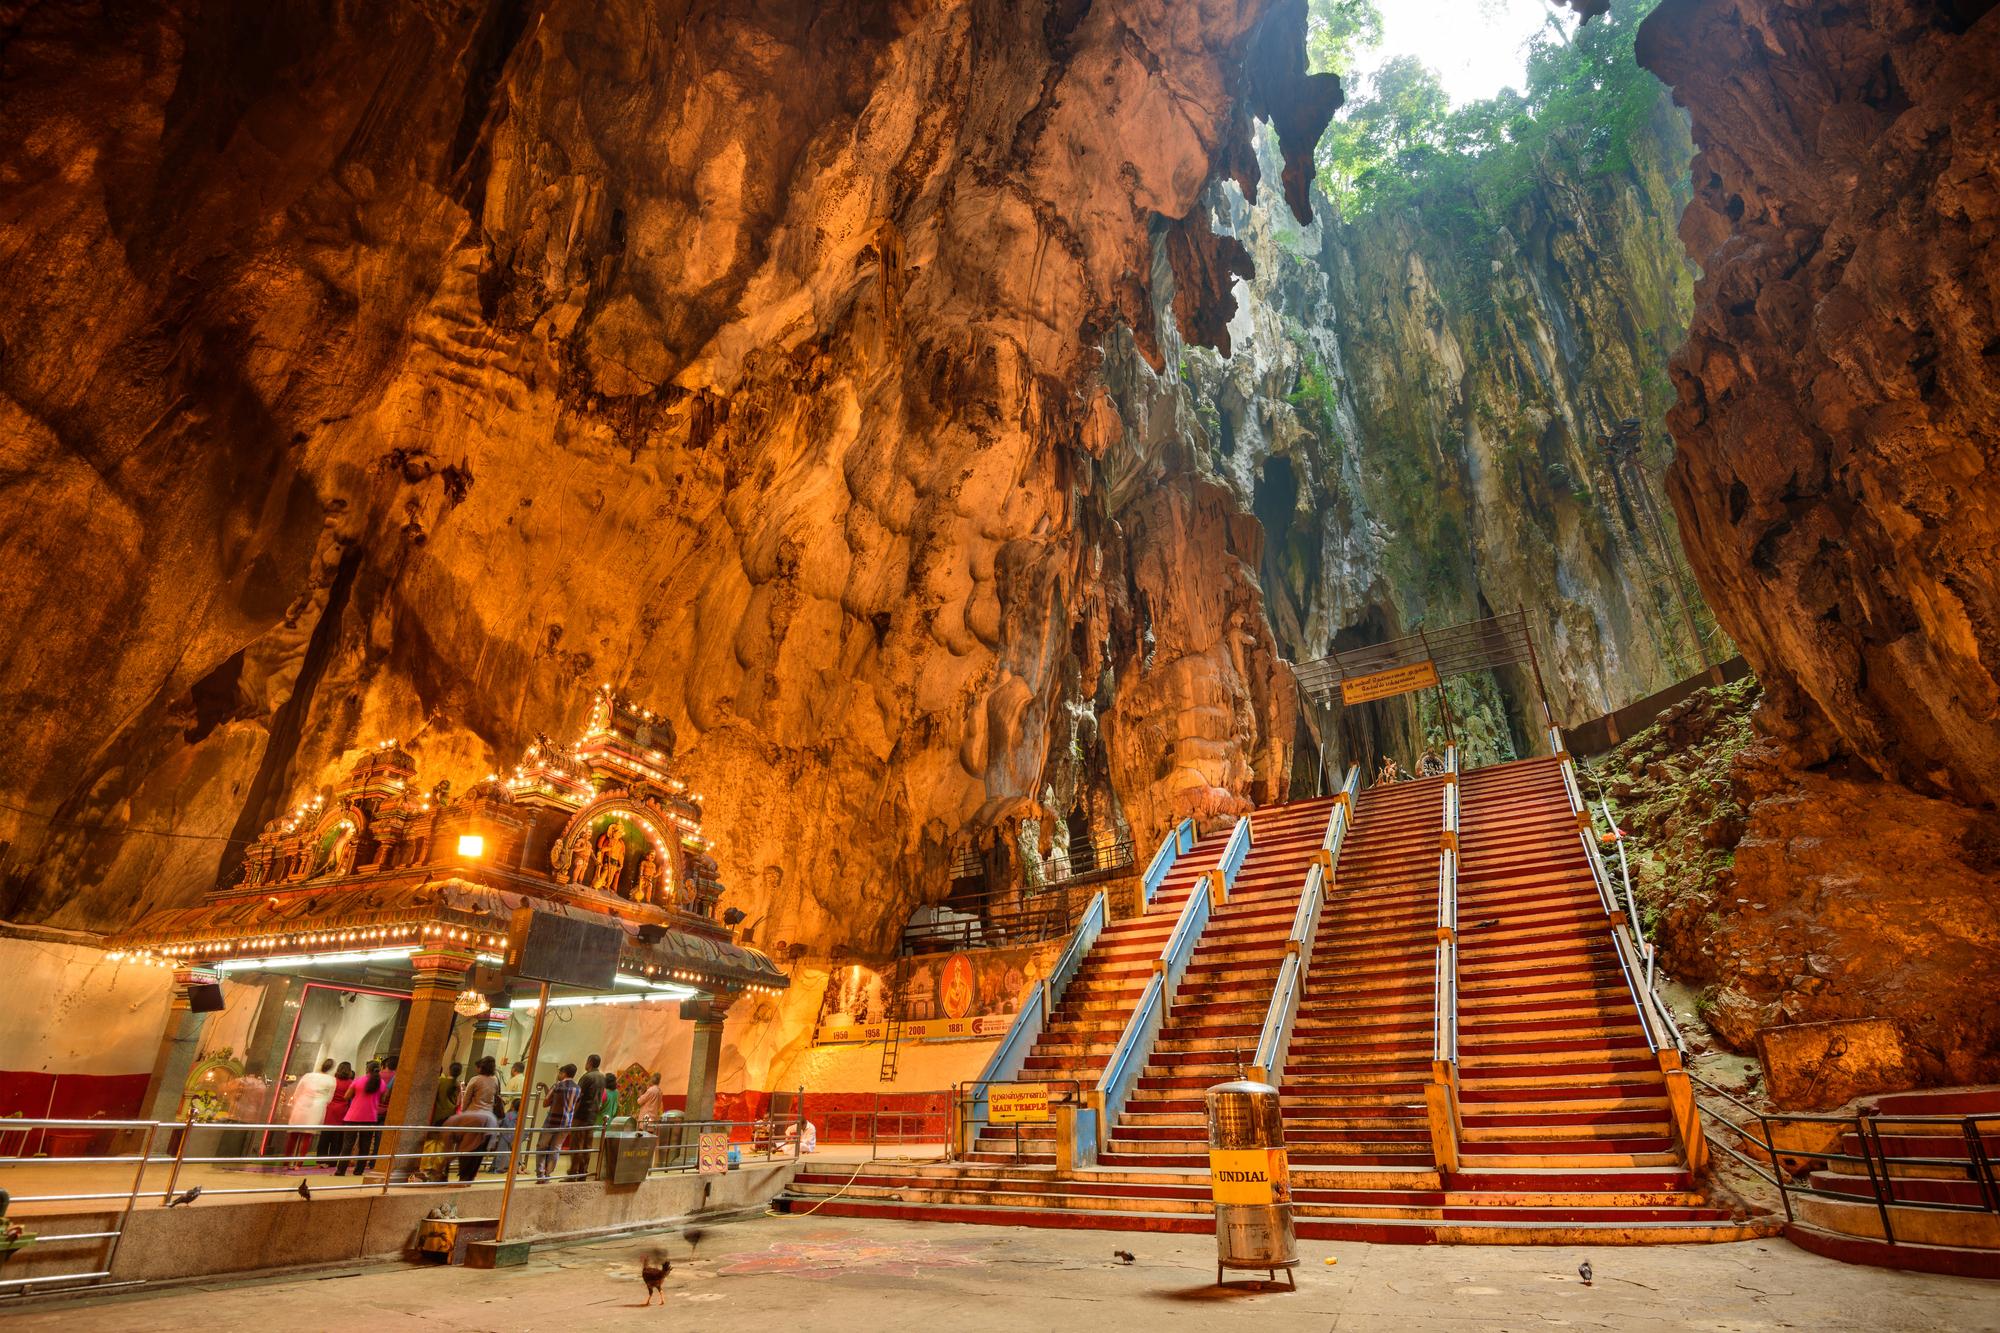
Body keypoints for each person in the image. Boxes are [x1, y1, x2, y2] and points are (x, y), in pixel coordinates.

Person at [338, 1060, 384, 1176]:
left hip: (353, 1116)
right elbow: (383, 1098)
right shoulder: (381, 1083)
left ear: (367, 1069)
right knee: (365, 1145)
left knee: (348, 1144)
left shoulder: (358, 1080)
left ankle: (341, 1171)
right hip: (370, 1117)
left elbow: (346, 1096)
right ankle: (359, 1171)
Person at [536, 1064, 581, 1182]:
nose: (558, 1075)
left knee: (542, 1147)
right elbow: (576, 1107)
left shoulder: (557, 1085)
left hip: (551, 1121)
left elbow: (546, 1102)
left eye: (559, 1073)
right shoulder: (578, 1088)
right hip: (566, 1123)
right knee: (555, 1149)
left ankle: (541, 1175)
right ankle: (548, 1174)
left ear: (564, 1073)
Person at [286, 1059, 337, 1161]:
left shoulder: (308, 1076)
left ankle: (286, 1161)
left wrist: (298, 1101)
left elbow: (297, 1092)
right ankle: (299, 1163)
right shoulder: (331, 1080)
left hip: (302, 1104)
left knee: (293, 1135)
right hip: (317, 1107)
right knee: (307, 1136)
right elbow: (329, 1098)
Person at [566, 1055, 606, 1179]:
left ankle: (573, 1172)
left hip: (581, 1115)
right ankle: (583, 1172)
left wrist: (571, 1113)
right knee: (587, 1145)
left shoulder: (587, 1077)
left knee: (576, 1144)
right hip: (592, 1116)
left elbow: (578, 1096)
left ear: (589, 1062)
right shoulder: (602, 1078)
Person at [317, 1061, 356, 1168]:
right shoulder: (351, 1083)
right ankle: (333, 1161)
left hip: (330, 1108)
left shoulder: (333, 1081)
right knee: (337, 1138)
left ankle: (321, 1160)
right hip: (343, 1110)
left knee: (325, 1135)